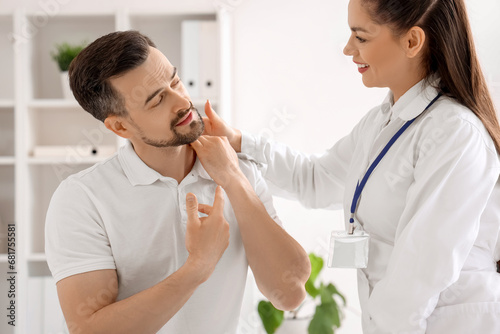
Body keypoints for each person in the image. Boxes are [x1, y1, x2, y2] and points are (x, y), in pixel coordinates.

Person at [200, 0, 500, 333]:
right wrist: (239, 141)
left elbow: (421, 270)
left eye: (361, 37)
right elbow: (315, 179)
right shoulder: (381, 123)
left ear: (413, 41)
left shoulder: (455, 133)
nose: (347, 49)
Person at [44, 30, 311, 334]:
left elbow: (289, 294)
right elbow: (90, 328)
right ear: (119, 126)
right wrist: (197, 268)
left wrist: (233, 178)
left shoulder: (236, 169)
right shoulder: (82, 198)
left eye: (174, 81)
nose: (182, 101)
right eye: (158, 99)